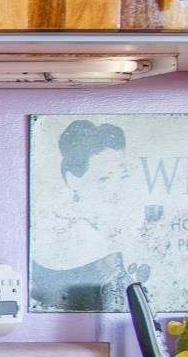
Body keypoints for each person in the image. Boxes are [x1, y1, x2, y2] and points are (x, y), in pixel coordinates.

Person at [29, 118, 151, 312]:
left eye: (123, 177)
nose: (116, 190)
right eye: (104, 179)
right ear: (73, 180)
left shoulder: (123, 229)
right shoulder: (63, 236)